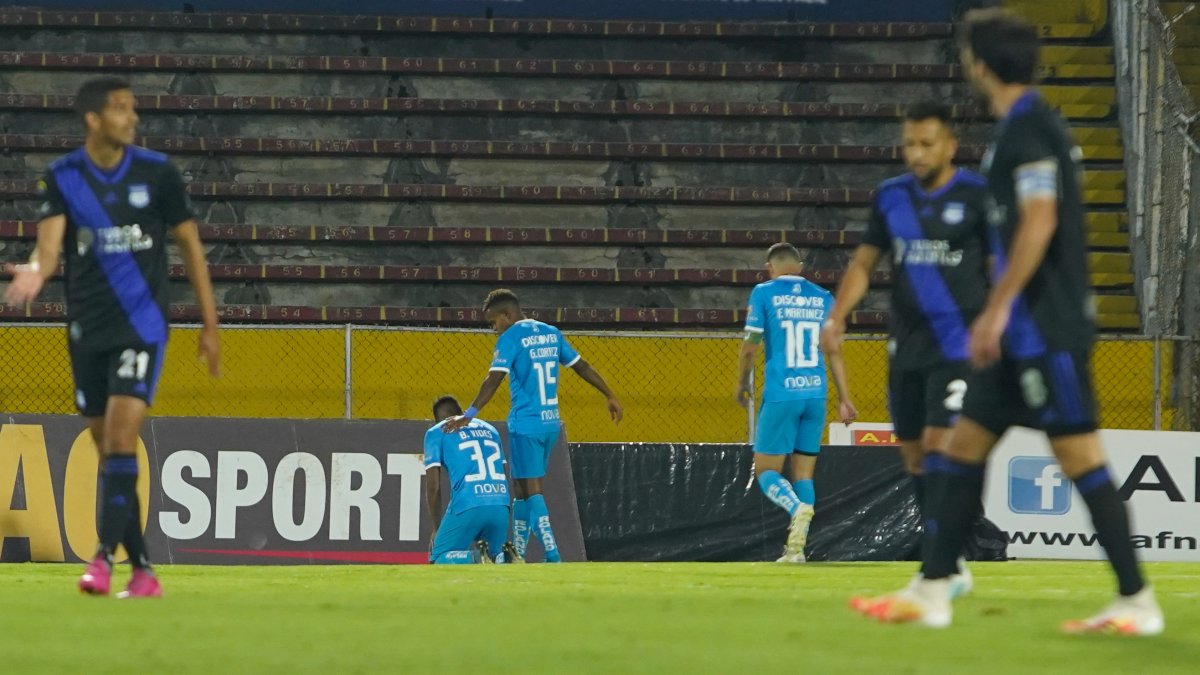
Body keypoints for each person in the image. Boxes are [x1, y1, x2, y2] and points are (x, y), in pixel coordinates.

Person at [851, 9, 1164, 635]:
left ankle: (1136, 598)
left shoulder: (1028, 130)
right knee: (963, 449)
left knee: (1080, 458)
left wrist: (995, 310)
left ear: (980, 64)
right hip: (1016, 335)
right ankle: (934, 586)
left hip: (1043, 332)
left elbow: (1041, 220)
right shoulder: (1020, 128)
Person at [3, 77, 220, 597]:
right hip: (87, 329)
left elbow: (190, 245)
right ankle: (143, 572)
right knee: (112, 456)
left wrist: (210, 324)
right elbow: (50, 248)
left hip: (142, 326)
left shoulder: (157, 173)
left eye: (133, 109)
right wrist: (35, 270)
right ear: (93, 119)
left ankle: (101, 561)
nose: (133, 118)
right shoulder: (63, 177)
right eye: (121, 109)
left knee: (122, 440)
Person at [822, 101, 990, 592]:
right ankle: (949, 562)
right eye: (910, 144)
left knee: (941, 445)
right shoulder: (890, 197)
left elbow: (1001, 266)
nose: (916, 154)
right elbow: (862, 264)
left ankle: (939, 563)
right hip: (906, 345)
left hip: (959, 343)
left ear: (950, 146)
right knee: (914, 456)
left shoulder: (978, 196)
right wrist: (839, 313)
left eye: (927, 144)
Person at [443, 289, 622, 562]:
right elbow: (581, 365)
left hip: (526, 425)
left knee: (531, 491)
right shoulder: (551, 332)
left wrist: (468, 414)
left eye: (494, 322)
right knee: (520, 491)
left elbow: (493, 379)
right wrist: (608, 394)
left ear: (507, 314)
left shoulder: (511, 337)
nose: (493, 329)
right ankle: (519, 553)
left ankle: (553, 555)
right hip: (551, 424)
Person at [736, 242, 856, 563]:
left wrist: (741, 382)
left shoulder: (764, 292)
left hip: (781, 393)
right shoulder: (824, 298)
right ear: (800, 266)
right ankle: (796, 551)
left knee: (765, 471)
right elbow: (834, 351)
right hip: (816, 394)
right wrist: (845, 399)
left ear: (770, 267)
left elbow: (750, 346)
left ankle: (795, 508)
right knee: (803, 474)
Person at [425, 395, 518, 564]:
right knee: (495, 561)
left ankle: (474, 558)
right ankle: (504, 556)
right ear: (461, 413)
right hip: (500, 503)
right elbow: (504, 473)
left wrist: (436, 527)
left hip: (467, 503)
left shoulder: (437, 432)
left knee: (438, 558)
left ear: (438, 419)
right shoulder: (491, 430)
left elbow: (434, 487)